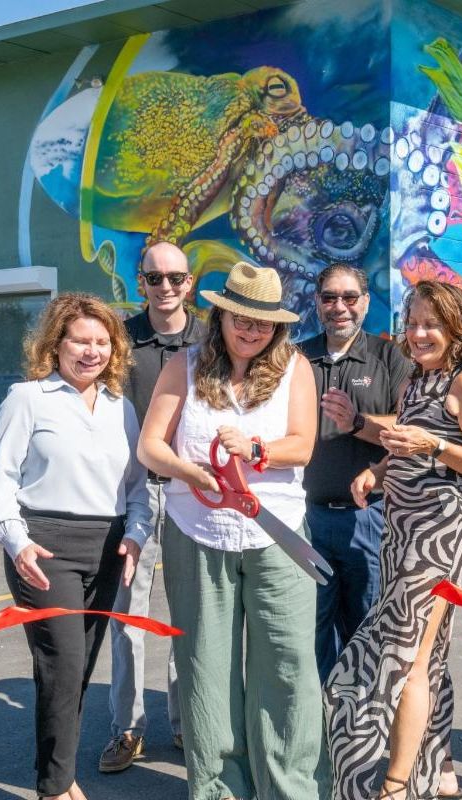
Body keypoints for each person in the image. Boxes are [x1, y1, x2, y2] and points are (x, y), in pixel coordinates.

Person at [137, 261, 324, 800]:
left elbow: (303, 445)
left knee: (288, 672)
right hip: (197, 532)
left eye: (263, 322)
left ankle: (291, 789)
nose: (251, 330)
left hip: (279, 534)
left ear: (278, 327)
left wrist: (256, 449)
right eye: (241, 317)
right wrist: (188, 471)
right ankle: (220, 791)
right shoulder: (185, 365)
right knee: (206, 672)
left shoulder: (295, 369)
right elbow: (152, 444)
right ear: (222, 316)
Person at [327, 280, 462, 800]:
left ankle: (395, 784)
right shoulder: (417, 382)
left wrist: (432, 443)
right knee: (426, 657)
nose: (419, 333)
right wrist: (378, 472)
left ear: (457, 329)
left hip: (439, 537)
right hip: (400, 532)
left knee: (403, 657)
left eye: (431, 324)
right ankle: (436, 772)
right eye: (413, 323)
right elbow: (409, 446)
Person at [0, 293, 151, 800]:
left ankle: (57, 772)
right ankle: (54, 789)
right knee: (63, 666)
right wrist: (18, 543)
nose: (91, 351)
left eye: (102, 342)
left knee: (73, 673)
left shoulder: (121, 409)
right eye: (80, 340)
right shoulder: (26, 399)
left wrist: (137, 535)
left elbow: (139, 487)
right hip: (44, 548)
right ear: (56, 344)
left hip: (106, 550)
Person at [100, 241, 203, 772]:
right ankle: (127, 728)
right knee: (128, 618)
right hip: (133, 493)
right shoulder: (117, 340)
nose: (166, 287)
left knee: (189, 615)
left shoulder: (210, 339)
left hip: (192, 492)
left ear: (190, 282)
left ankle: (188, 724)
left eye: (175, 278)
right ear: (141, 282)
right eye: (155, 278)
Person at [299, 263, 409, 683]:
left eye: (349, 297)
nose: (339, 307)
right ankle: (321, 731)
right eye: (329, 297)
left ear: (365, 302)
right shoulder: (296, 359)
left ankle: (359, 728)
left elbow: (410, 430)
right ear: (317, 303)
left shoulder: (389, 358)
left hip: (369, 519)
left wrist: (358, 423)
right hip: (306, 518)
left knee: (365, 632)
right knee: (309, 633)